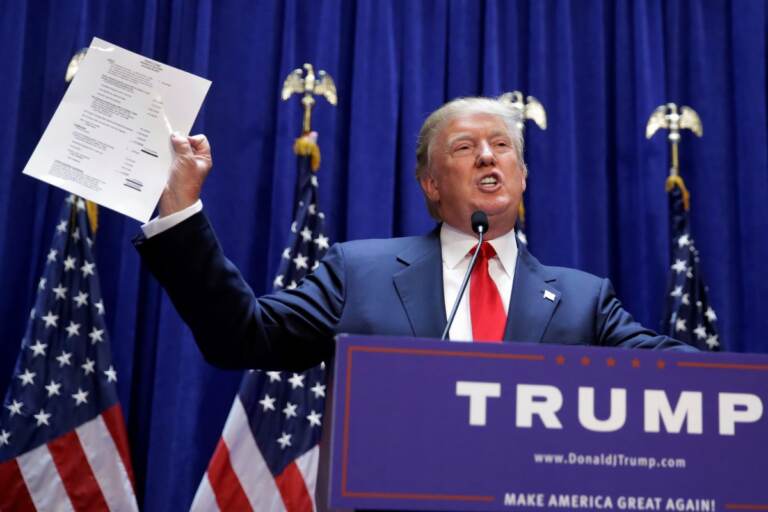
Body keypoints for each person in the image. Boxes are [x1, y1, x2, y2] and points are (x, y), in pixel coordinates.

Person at [134, 96, 692, 371]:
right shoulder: (361, 273)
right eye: (464, 148)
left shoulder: (583, 300)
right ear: (430, 183)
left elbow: (680, 379)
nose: (488, 158)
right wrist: (182, 209)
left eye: (502, 147)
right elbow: (242, 337)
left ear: (523, 177)